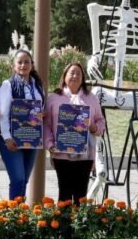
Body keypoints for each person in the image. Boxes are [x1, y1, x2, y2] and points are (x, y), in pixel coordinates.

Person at [43, 62, 106, 204]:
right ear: (64, 76)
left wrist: (95, 128)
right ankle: (62, 226)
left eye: (79, 73)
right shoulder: (54, 98)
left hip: (85, 155)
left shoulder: (91, 98)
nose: (75, 76)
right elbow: (46, 125)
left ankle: (79, 225)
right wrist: (50, 144)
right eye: (72, 72)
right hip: (61, 154)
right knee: (64, 193)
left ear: (83, 78)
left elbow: (101, 121)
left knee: (80, 195)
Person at [0, 50, 45, 200]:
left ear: (32, 65)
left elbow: (39, 109)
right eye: (19, 62)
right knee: (18, 179)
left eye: (27, 62)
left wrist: (41, 114)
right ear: (13, 65)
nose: (23, 65)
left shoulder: (37, 85)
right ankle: (13, 216)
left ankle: (20, 217)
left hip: (31, 138)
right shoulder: (8, 84)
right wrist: (7, 137)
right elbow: (3, 114)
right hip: (12, 138)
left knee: (24, 180)